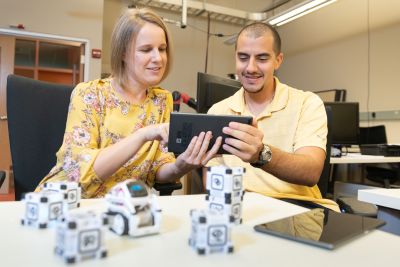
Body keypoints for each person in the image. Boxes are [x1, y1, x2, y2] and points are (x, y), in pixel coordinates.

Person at [37, 8, 221, 198]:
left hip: (127, 206)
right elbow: (79, 172)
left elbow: (157, 167)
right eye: (146, 49)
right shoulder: (89, 94)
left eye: (162, 49)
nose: (158, 58)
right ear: (123, 53)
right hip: (67, 201)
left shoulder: (161, 100)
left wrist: (181, 166)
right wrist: (142, 135)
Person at [205, 22, 338, 211]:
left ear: (278, 60)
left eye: (262, 58)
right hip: (241, 209)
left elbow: (311, 171)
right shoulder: (217, 111)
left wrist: (261, 154)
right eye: (243, 58)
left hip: (297, 209)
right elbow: (212, 183)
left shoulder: (307, 103)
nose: (250, 68)